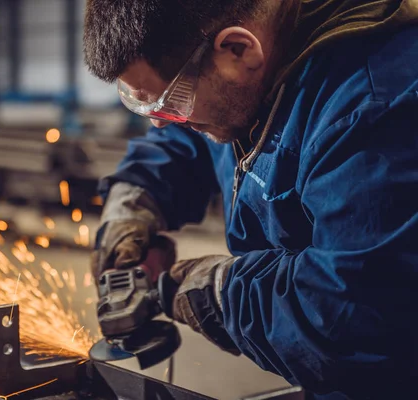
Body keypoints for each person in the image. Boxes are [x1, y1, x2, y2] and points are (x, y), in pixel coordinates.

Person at [83, 0, 418, 398]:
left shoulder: (375, 112)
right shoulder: (245, 66)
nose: (163, 120)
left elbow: (353, 314)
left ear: (238, 49)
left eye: (171, 104)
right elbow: (182, 140)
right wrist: (133, 201)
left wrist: (217, 292)